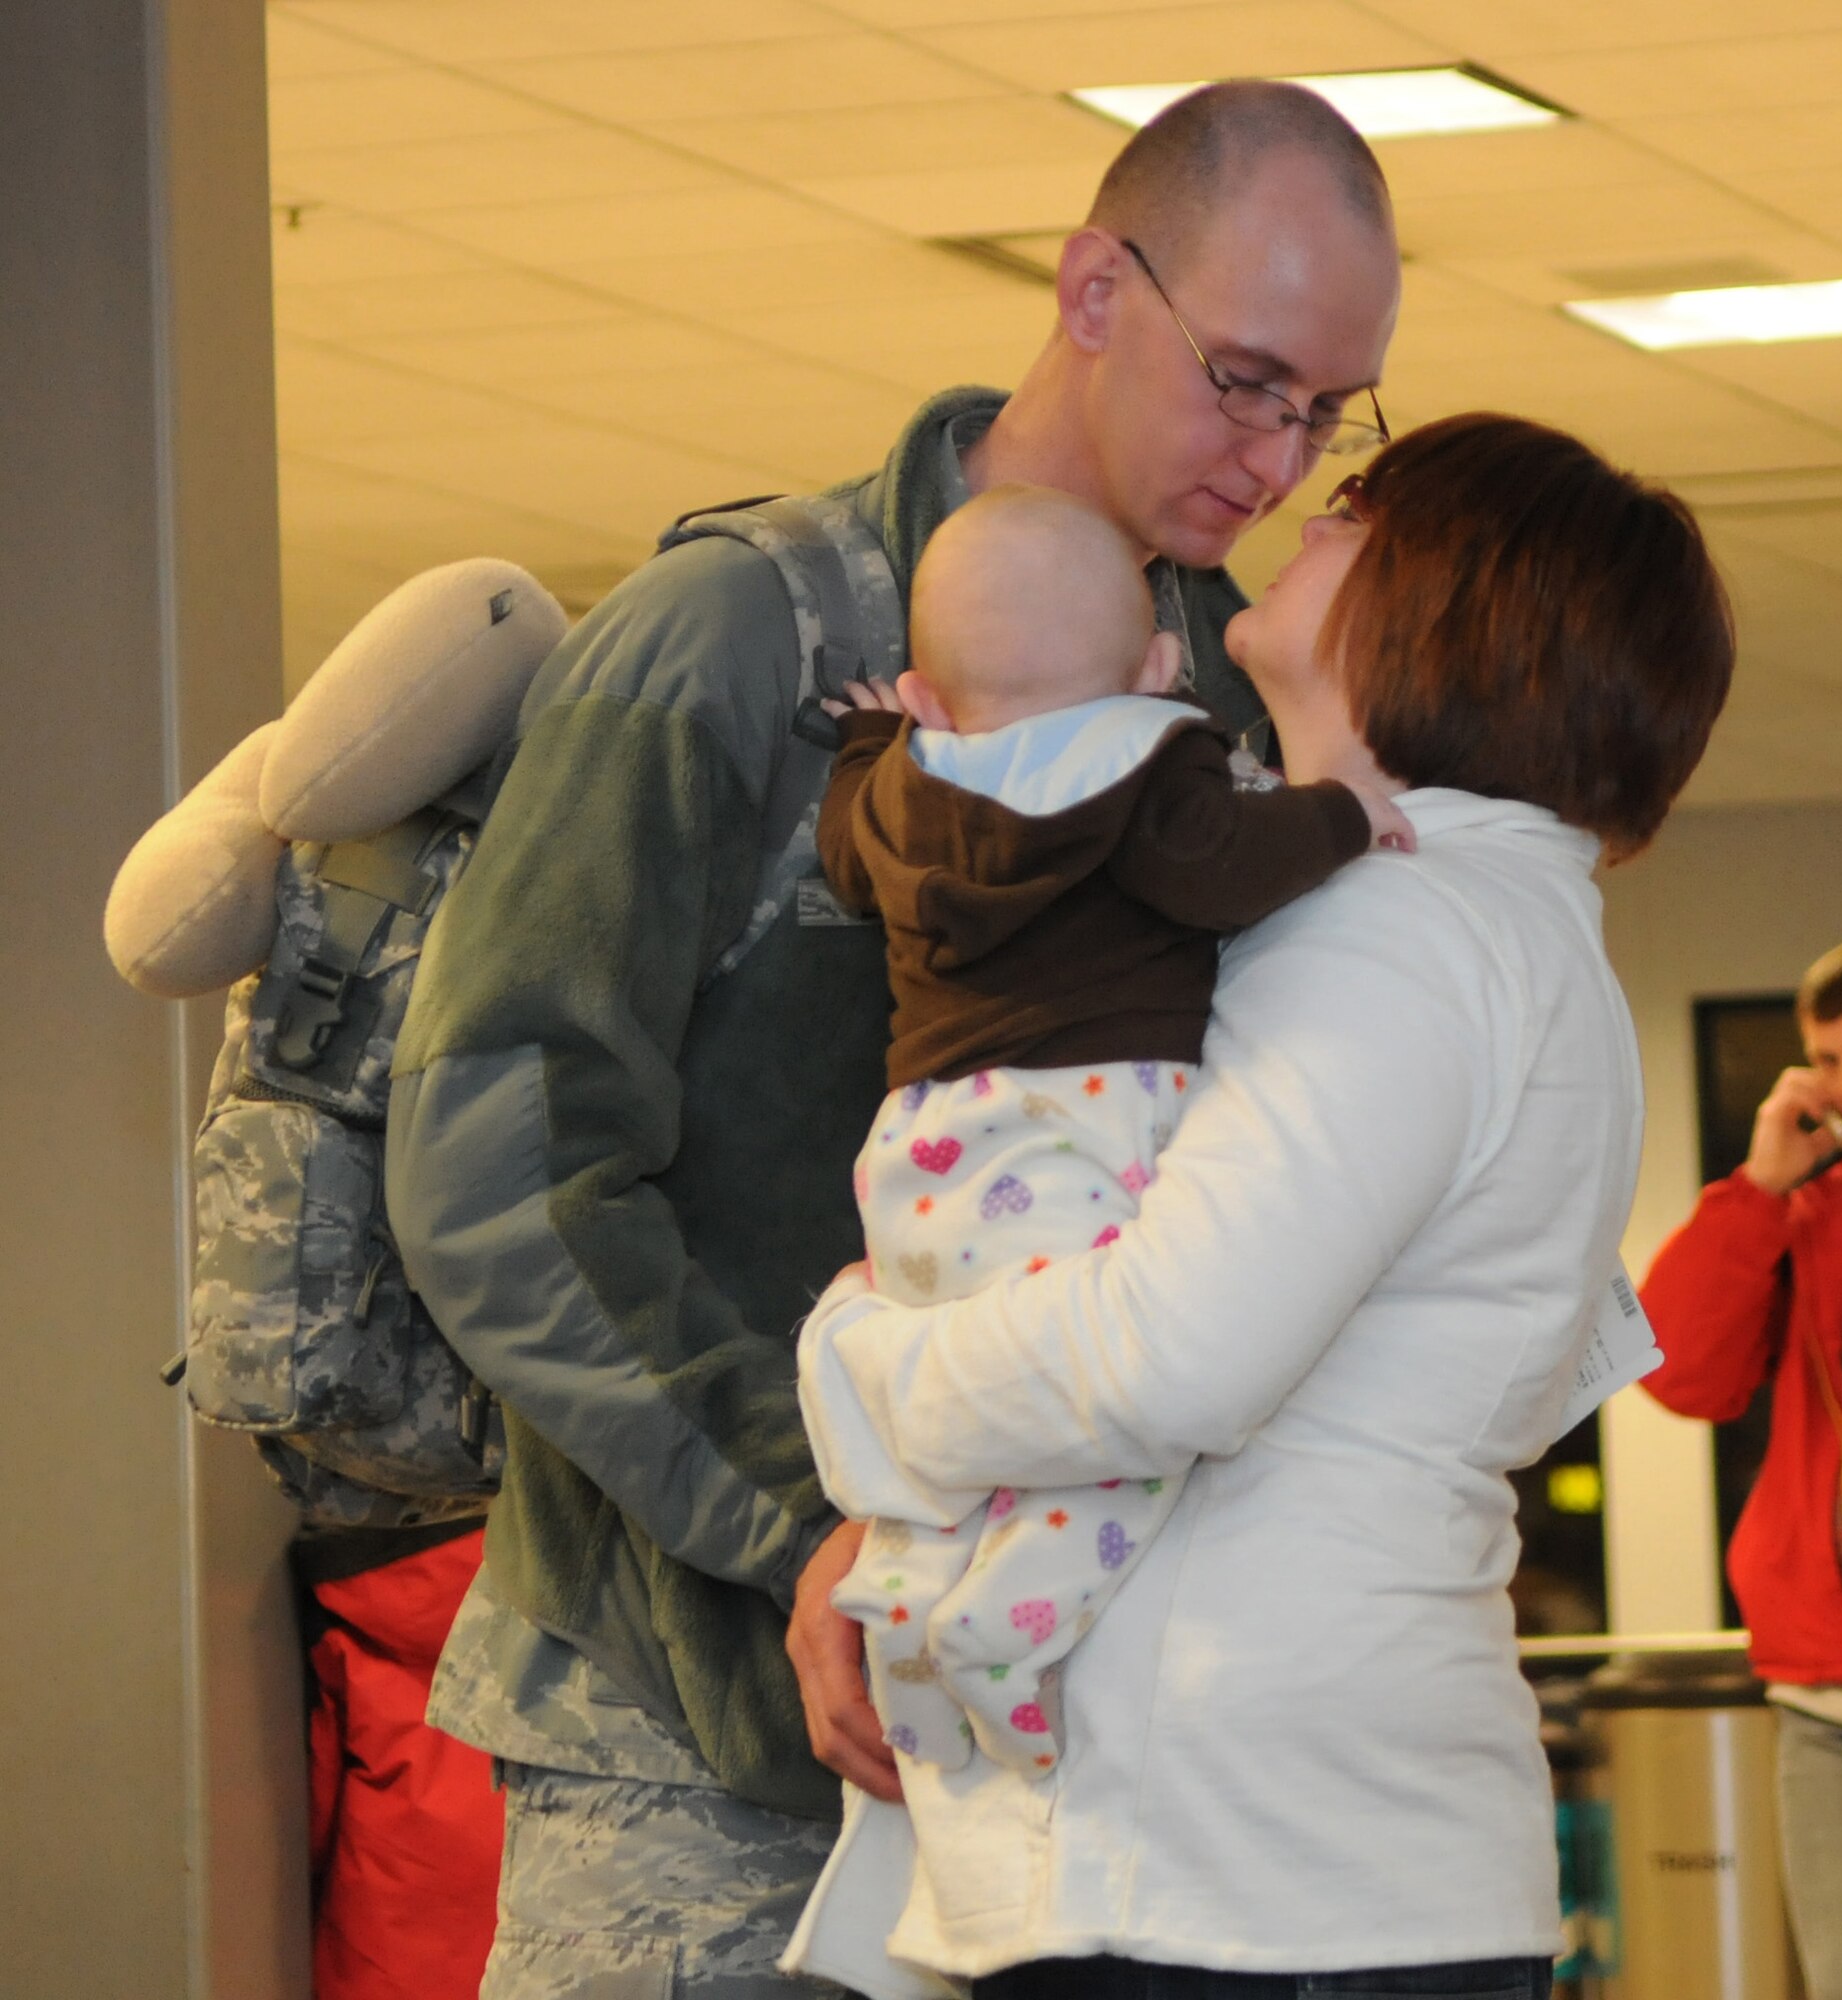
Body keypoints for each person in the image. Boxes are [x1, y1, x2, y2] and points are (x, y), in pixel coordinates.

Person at [386, 79, 1402, 1997]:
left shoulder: (1235, 715)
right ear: (1096, 285)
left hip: (1077, 1772)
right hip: (701, 1762)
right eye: (1247, 378)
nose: (1277, 459)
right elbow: (500, 1163)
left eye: (1329, 410)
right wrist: (803, 1523)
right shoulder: (743, 646)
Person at [786, 412, 1735, 2000]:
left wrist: (853, 1366)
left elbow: (1171, 1360)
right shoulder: (1502, 928)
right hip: (1314, 1853)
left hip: (1233, 1871)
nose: (1310, 507)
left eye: (1361, 505)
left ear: (1454, 593)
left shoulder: (1397, 931)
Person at [815, 482, 1409, 1776]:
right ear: (1155, 666)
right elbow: (1220, 869)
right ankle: (1006, 1636)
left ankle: (905, 1609)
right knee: (1104, 1420)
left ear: (921, 693)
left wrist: (865, 750)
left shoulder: (899, 788)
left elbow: (845, 861)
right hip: (1086, 1129)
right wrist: (1342, 811)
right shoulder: (1154, 760)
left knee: (958, 1418)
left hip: (922, 1149)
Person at [1638, 941, 1842, 2000]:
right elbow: (1676, 1373)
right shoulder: (1808, 1216)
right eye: (1826, 1059)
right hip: (1828, 1699)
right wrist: (1760, 1183)